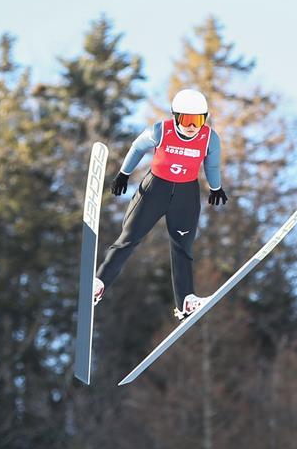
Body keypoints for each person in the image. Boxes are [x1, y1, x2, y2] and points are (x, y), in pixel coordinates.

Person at [93, 88, 227, 320]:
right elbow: (137, 147)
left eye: (197, 120)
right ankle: (99, 284)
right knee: (129, 237)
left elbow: (212, 166)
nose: (192, 126)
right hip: (156, 190)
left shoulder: (209, 138)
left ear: (204, 119)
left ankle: (186, 301)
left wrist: (216, 188)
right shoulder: (161, 130)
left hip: (186, 195)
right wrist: (124, 174)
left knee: (182, 248)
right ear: (176, 117)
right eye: (186, 119)